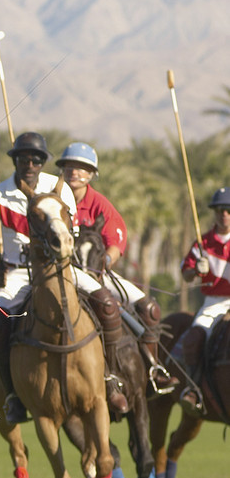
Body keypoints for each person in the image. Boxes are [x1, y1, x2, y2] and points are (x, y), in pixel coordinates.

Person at [0, 131, 130, 423]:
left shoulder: (58, 188)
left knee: (107, 305)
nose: (30, 164)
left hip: (60, 268)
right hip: (16, 272)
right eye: (24, 159)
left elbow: (70, 235)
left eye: (36, 159)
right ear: (16, 161)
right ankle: (13, 396)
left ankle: (110, 378)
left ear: (43, 161)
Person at [56, 142, 175, 394]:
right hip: (62, 275)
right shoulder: (54, 201)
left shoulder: (100, 204)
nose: (74, 172)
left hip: (97, 274)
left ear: (91, 174)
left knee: (150, 309)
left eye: (81, 167)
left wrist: (105, 262)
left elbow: (115, 243)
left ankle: (153, 369)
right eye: (69, 166)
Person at [173, 187, 230, 414]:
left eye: (227, 210)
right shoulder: (202, 242)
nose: (223, 214)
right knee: (195, 337)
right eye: (219, 210)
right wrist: (196, 270)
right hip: (213, 302)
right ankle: (193, 389)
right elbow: (185, 274)